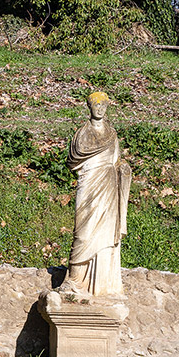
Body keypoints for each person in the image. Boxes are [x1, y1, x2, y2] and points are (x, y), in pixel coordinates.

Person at [62, 92, 131, 299]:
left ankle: (102, 285)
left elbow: (117, 160)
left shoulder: (112, 133)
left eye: (103, 105)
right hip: (89, 184)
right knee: (83, 232)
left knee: (105, 233)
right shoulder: (82, 134)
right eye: (96, 105)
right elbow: (73, 160)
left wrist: (123, 168)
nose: (99, 109)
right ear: (89, 107)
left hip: (108, 186)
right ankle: (75, 280)